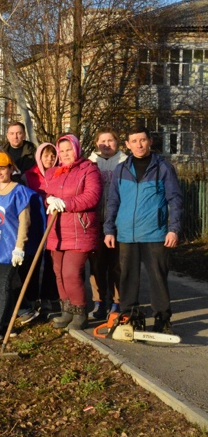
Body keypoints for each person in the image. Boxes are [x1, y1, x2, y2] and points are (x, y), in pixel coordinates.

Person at [104, 126, 183, 333]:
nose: (139, 145)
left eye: (142, 140)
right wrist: (109, 229)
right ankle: (129, 316)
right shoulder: (121, 169)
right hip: (126, 234)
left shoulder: (163, 168)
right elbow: (113, 200)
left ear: (150, 141)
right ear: (128, 145)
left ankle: (162, 319)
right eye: (134, 141)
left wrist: (173, 229)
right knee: (128, 276)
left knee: (158, 276)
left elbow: (174, 199)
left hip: (155, 233)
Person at [0, 152, 42, 345]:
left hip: (8, 248)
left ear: (10, 168)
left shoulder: (19, 191)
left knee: (2, 287)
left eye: (3, 168)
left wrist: (19, 247)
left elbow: (25, 222)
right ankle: (7, 324)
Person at [44, 134, 102, 331]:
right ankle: (66, 309)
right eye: (62, 151)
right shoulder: (54, 172)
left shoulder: (89, 169)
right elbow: (47, 193)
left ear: (76, 149)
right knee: (58, 272)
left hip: (80, 230)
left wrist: (66, 203)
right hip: (56, 229)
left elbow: (92, 197)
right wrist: (49, 199)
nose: (65, 154)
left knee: (71, 273)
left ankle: (80, 311)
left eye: (69, 150)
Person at [88, 128, 127, 319]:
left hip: (119, 222)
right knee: (96, 264)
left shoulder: (125, 162)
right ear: (96, 143)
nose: (106, 144)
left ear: (117, 142)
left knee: (117, 264)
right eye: (102, 141)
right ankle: (99, 302)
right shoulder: (90, 163)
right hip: (95, 221)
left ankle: (116, 302)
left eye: (110, 140)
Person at [20, 142, 60, 316]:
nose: (49, 159)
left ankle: (48, 297)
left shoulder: (60, 173)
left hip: (55, 222)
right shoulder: (29, 176)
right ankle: (31, 297)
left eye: (53, 156)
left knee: (52, 261)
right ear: (39, 157)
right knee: (33, 261)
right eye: (46, 156)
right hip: (35, 223)